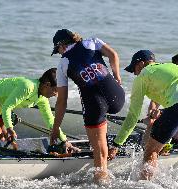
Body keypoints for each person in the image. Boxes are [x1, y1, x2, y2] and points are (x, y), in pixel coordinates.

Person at [108, 50, 178, 180]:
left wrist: (116, 144)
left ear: (140, 64)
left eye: (134, 69)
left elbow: (133, 116)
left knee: (151, 150)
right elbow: (176, 89)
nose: (134, 73)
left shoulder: (143, 75)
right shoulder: (169, 67)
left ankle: (145, 185)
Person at [50, 29, 125, 182]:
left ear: (62, 46)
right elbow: (113, 55)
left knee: (99, 152)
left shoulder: (63, 64)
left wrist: (55, 129)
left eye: (57, 50)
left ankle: (102, 181)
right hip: (117, 96)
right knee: (102, 111)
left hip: (94, 104)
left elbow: (61, 102)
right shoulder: (92, 42)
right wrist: (117, 76)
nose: (59, 53)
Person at [0, 68, 76, 151]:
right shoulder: (27, 87)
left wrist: (64, 141)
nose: (56, 95)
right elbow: (7, 107)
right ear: (47, 85)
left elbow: (51, 121)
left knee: (7, 142)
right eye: (56, 90)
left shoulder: (42, 98)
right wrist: (10, 128)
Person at [147, 54, 178, 147]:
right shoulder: (168, 85)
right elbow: (154, 103)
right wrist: (152, 114)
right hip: (174, 124)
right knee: (154, 121)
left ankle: (150, 151)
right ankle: (145, 151)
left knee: (164, 120)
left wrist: (161, 114)